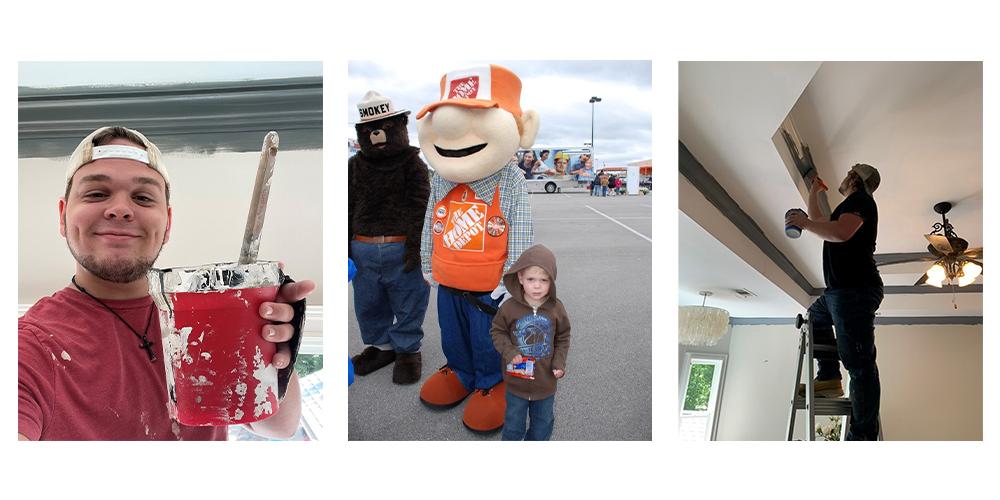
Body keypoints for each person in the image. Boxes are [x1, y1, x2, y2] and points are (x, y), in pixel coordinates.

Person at [18, 126, 313, 441]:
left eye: (143, 197)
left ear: (168, 223)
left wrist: (275, 351)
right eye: (96, 193)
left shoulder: (207, 314)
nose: (120, 209)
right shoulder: (32, 347)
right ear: (63, 216)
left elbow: (279, 425)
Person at [785, 163, 883, 440]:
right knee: (813, 319)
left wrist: (803, 222)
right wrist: (814, 192)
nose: (844, 175)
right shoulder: (850, 205)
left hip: (856, 290)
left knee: (859, 364)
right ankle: (828, 377)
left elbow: (839, 233)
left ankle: (863, 435)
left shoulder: (863, 201)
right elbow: (823, 223)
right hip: (839, 292)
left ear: (854, 178)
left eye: (848, 173)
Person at [349, 91, 430, 384]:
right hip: (363, 247)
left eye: (384, 126)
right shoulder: (355, 166)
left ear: (399, 127)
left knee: (409, 297)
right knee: (368, 301)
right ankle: (382, 346)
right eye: (370, 129)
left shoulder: (413, 164)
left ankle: (408, 349)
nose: (377, 134)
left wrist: (417, 249)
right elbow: (347, 207)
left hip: (401, 246)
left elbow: (421, 207)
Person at [490, 244, 570, 441]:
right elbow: (497, 331)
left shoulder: (556, 308)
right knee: (513, 427)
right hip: (516, 382)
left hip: (545, 383)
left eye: (544, 280)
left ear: (552, 280)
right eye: (531, 279)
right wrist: (509, 351)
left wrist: (559, 362)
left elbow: (563, 337)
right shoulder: (509, 308)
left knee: (542, 425)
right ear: (520, 278)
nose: (537, 286)